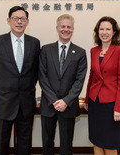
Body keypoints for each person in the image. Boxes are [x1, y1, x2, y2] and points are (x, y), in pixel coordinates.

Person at [0, 6, 40, 155]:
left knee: (24, 142)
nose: (19, 22)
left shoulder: (34, 43)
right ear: (9, 20)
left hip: (26, 102)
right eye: (16, 18)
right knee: (2, 143)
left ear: (27, 22)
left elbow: (35, 72)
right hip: (4, 102)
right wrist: (2, 87)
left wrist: (25, 88)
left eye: (23, 19)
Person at [39, 14, 87, 155]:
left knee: (66, 144)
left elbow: (79, 81)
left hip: (68, 105)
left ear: (73, 29)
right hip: (49, 104)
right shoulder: (46, 50)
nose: (66, 29)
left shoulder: (80, 52)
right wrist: (55, 100)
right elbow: (42, 77)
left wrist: (65, 101)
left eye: (69, 27)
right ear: (57, 28)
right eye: (63, 26)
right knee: (47, 142)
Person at [84, 16, 120, 155]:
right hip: (95, 103)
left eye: (108, 29)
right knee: (96, 141)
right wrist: (87, 99)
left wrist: (119, 108)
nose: (104, 32)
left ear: (114, 32)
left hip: (112, 105)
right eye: (101, 29)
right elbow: (92, 77)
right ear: (97, 32)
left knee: (110, 143)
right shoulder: (94, 51)